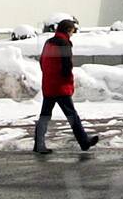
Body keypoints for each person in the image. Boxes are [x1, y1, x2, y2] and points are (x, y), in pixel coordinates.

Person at [34, 18, 100, 155]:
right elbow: (66, 66)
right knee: (72, 115)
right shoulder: (64, 43)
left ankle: (38, 144)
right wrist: (68, 82)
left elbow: (42, 61)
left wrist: (49, 76)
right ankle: (84, 142)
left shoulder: (48, 42)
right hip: (60, 86)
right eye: (72, 31)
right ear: (67, 30)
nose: (72, 34)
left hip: (49, 84)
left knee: (45, 116)